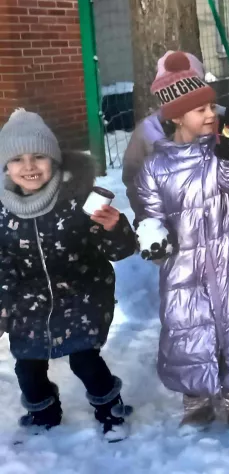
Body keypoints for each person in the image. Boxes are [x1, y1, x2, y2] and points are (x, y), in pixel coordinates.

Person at [132, 51, 229, 431]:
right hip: (184, 262)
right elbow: (149, 211)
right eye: (200, 110)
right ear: (177, 117)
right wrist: (152, 233)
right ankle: (195, 396)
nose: (211, 114)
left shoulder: (218, 149)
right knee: (187, 324)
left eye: (212, 106)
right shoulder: (155, 167)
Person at [0, 110, 137, 440]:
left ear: (55, 160)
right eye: (17, 159)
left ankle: (110, 409)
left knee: (85, 360)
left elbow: (118, 251)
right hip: (28, 305)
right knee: (27, 366)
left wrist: (114, 228)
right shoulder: (2, 211)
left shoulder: (78, 201)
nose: (29, 166)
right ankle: (43, 412)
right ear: (5, 166)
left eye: (39, 156)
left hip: (80, 295)